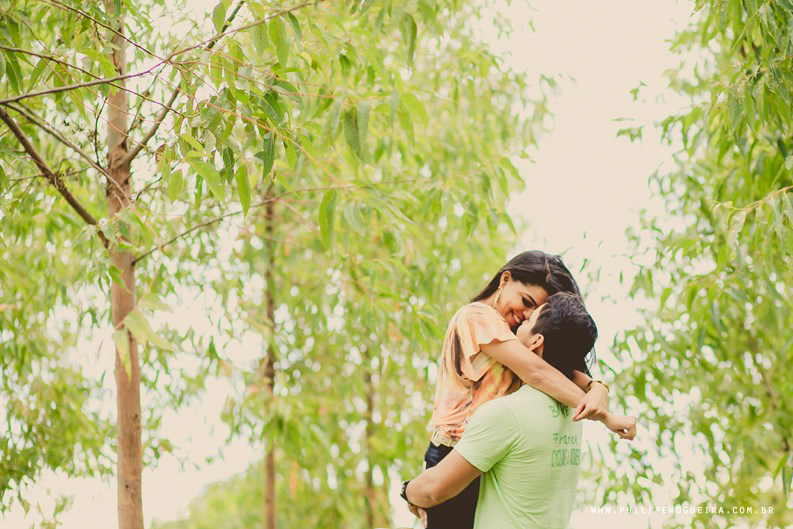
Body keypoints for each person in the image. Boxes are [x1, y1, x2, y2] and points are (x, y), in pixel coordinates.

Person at [413, 251, 634, 529]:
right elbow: (537, 372)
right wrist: (604, 416)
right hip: (454, 454)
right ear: (505, 279)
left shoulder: (513, 331)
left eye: (534, 311)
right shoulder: (475, 318)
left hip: (486, 454)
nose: (525, 315)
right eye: (525, 302)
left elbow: (555, 368)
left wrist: (596, 387)